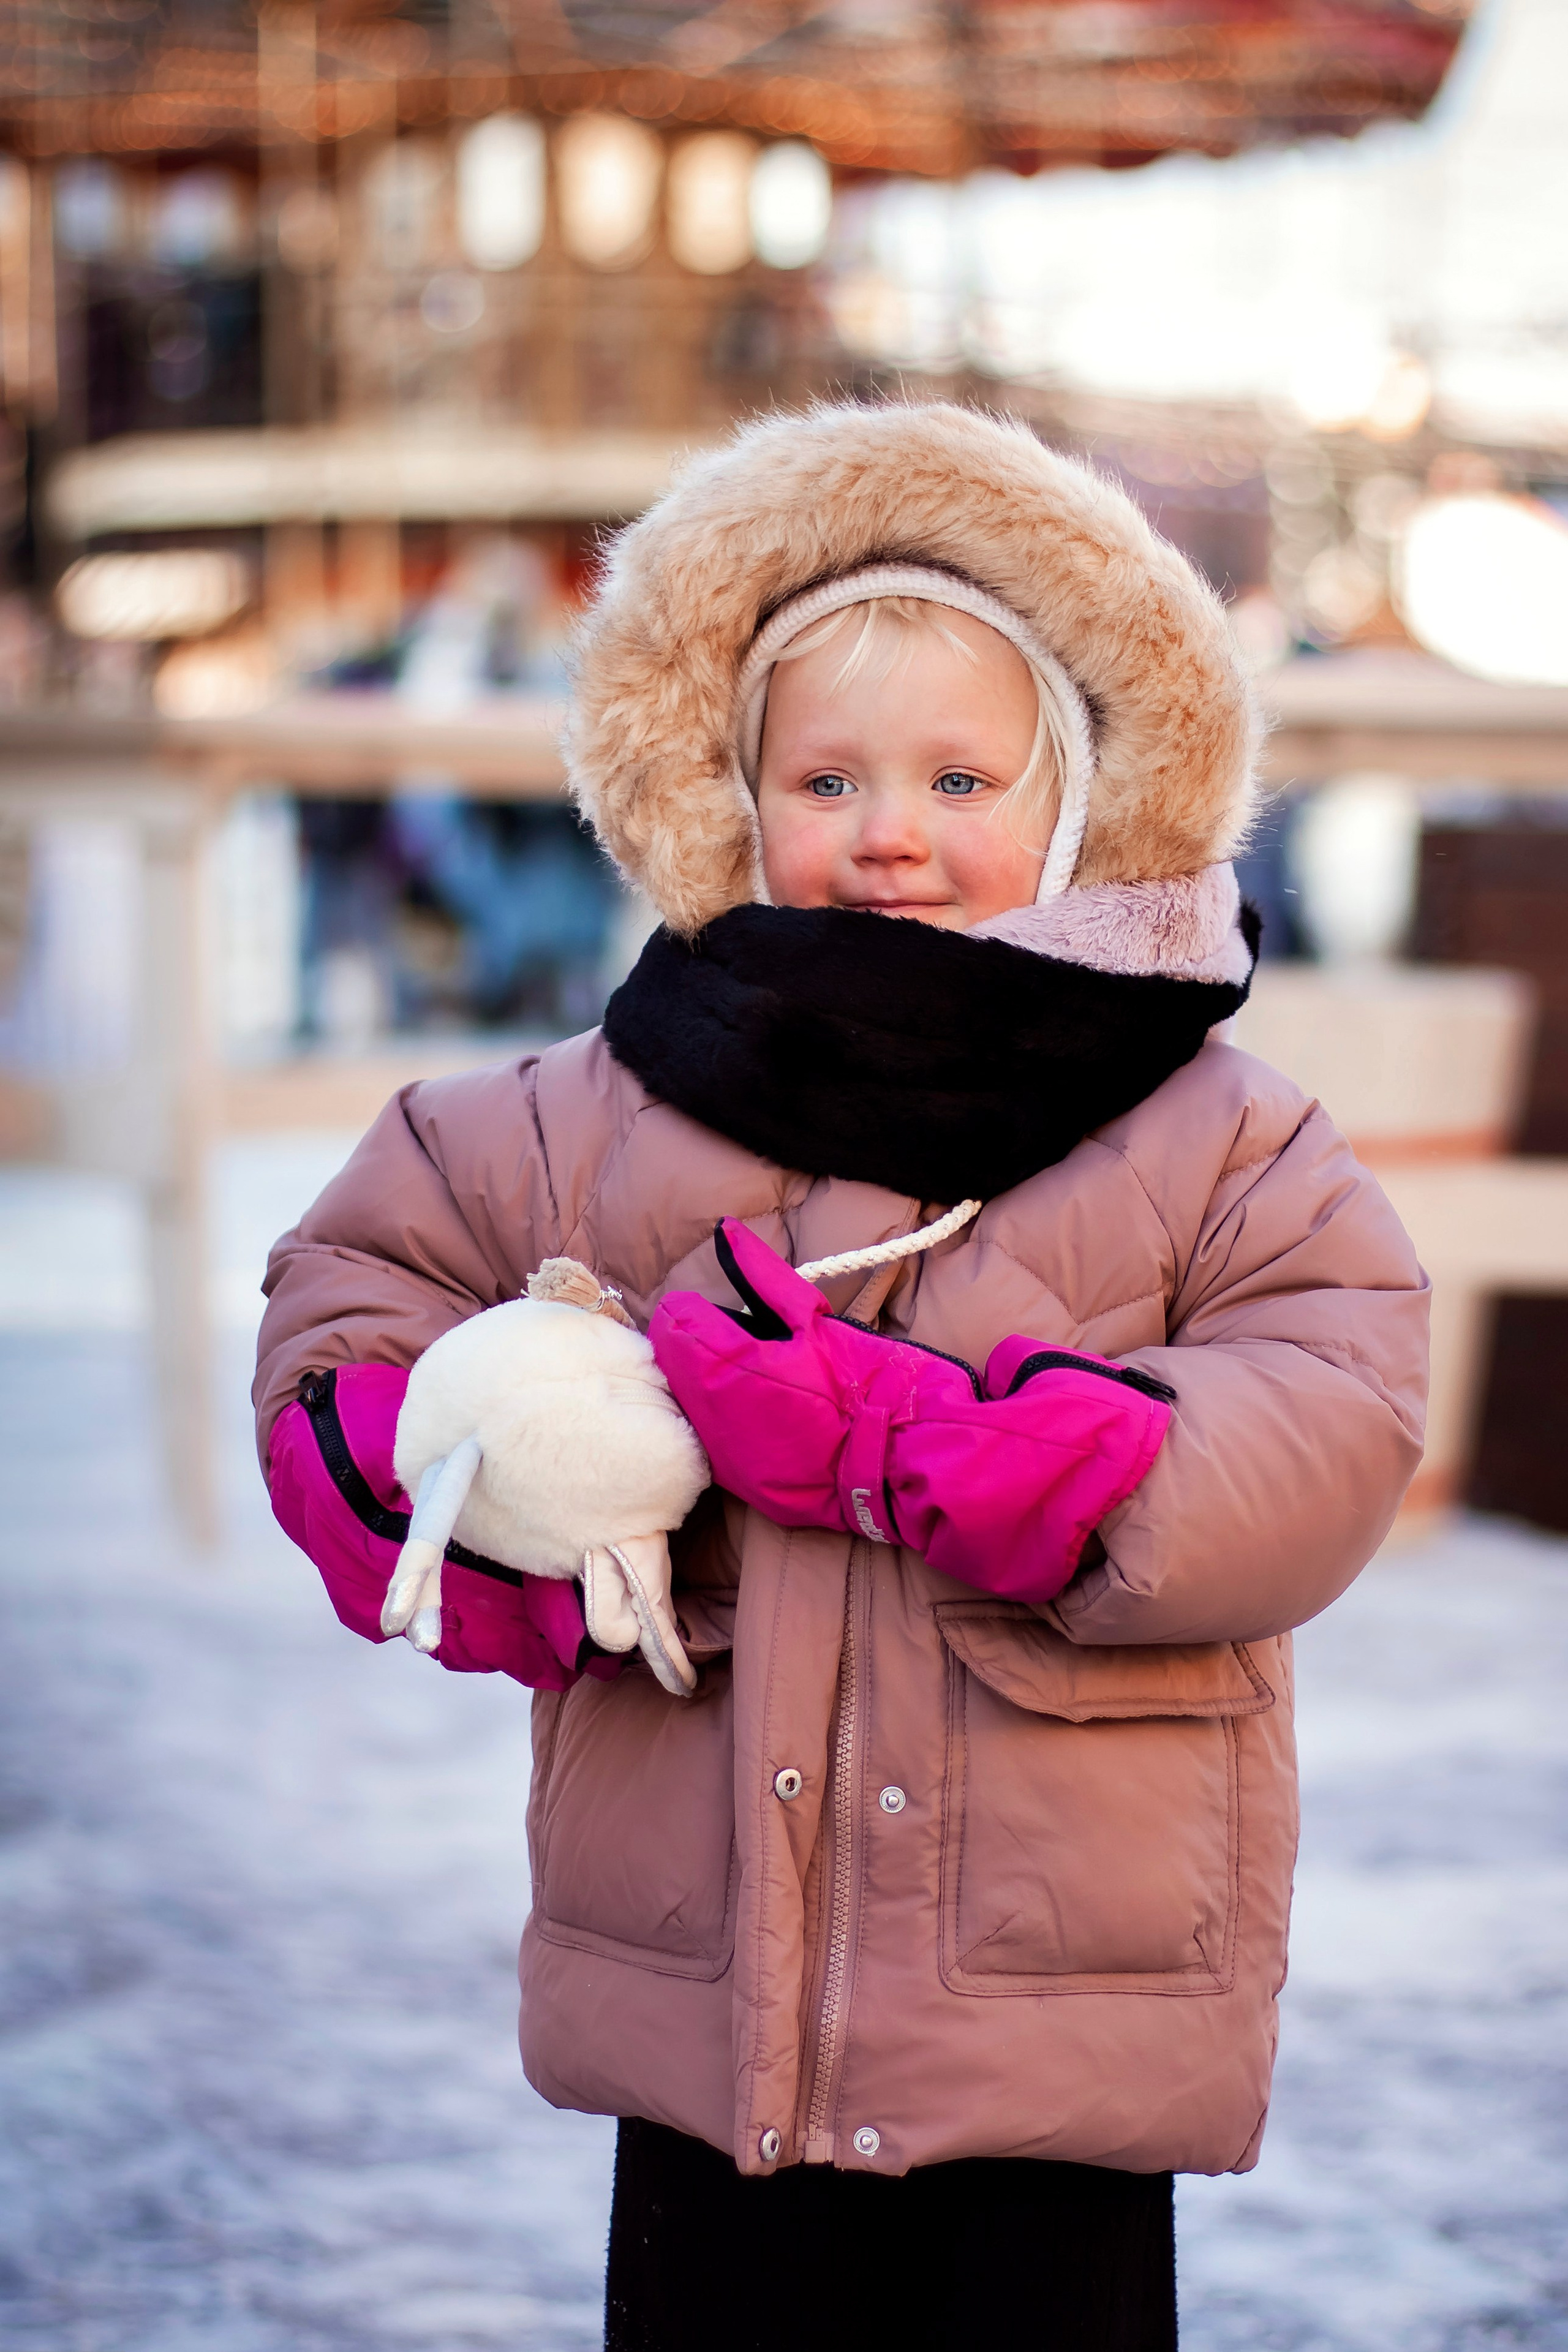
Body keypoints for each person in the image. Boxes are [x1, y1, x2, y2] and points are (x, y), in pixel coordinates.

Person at [255, 402, 1428, 2351]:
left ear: (1075, 804)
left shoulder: (1216, 1133)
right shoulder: (611, 1103)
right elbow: (360, 1274)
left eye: (965, 774)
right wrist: (429, 1461)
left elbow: (1330, 1409)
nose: (892, 829)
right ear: (733, 797)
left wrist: (941, 1449)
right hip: (722, 1984)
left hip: (1054, 1986)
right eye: (829, 776)